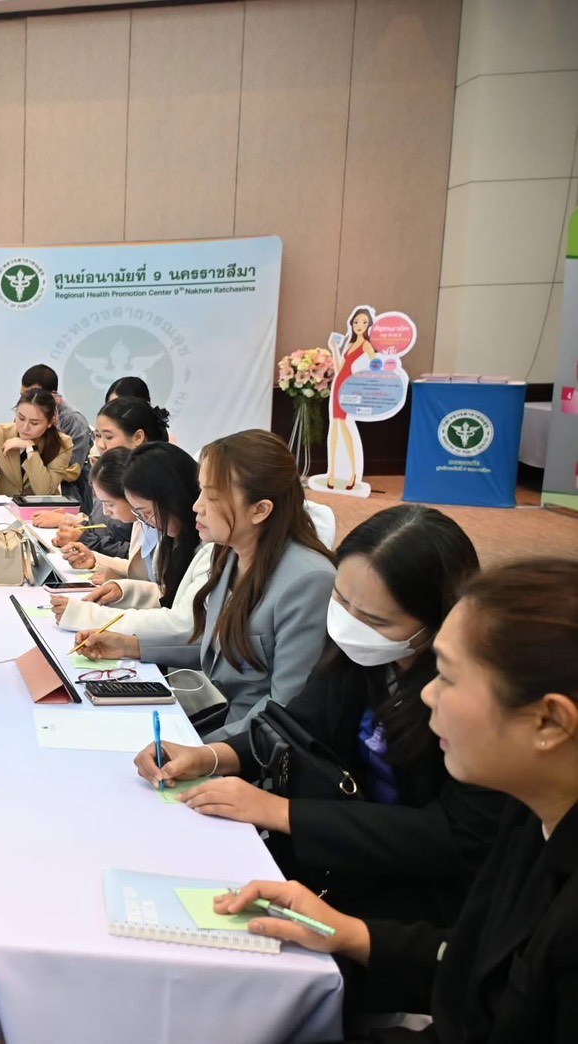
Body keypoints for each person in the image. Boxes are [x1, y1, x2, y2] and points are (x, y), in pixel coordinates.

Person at [213, 559, 578, 1044]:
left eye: (447, 676)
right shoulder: (531, 817)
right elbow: (472, 963)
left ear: (550, 722)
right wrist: (348, 933)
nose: (426, 694)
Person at [135, 505, 506, 927]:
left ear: (440, 619)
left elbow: (454, 835)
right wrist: (210, 756)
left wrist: (282, 812)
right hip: (339, 859)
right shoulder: (358, 657)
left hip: (413, 896)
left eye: (375, 620)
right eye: (341, 600)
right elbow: (297, 723)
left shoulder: (465, 700)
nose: (350, 624)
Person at [75, 430, 336, 739]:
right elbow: (218, 642)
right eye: (200, 491)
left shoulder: (308, 580)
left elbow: (284, 710)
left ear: (260, 509)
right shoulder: (228, 554)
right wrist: (129, 646)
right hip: (233, 722)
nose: (196, 506)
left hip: (255, 741)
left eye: (212, 497)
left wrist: (207, 754)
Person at [53, 442, 208, 638]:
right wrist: (125, 591)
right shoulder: (168, 532)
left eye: (211, 496)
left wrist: (91, 616)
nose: (198, 506)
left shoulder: (209, 548)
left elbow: (183, 624)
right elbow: (169, 595)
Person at [33, 394, 171, 545]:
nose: (100, 445)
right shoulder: (111, 470)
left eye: (109, 437)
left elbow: (140, 551)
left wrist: (86, 539)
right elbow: (101, 525)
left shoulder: (149, 484)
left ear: (138, 437)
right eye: (97, 436)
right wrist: (75, 524)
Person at [0, 388, 81, 497]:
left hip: (42, 506)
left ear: (49, 423)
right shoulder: (0, 434)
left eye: (34, 423)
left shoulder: (62, 444)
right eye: (21, 418)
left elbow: (45, 491)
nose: (25, 427)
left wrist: (30, 448)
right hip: (4, 504)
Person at [327, 305, 377, 491]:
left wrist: (362, 381)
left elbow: (375, 365)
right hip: (339, 385)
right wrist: (334, 348)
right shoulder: (349, 345)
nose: (359, 325)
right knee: (336, 427)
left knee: (344, 426)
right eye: (356, 322)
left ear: (369, 325)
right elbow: (339, 368)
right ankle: (332, 472)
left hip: (351, 386)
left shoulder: (366, 345)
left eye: (363, 322)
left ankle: (353, 473)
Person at [21, 363, 93, 462]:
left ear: (53, 395)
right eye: (23, 396)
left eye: (33, 396)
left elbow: (73, 466)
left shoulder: (73, 421)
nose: (27, 402)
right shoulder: (24, 412)